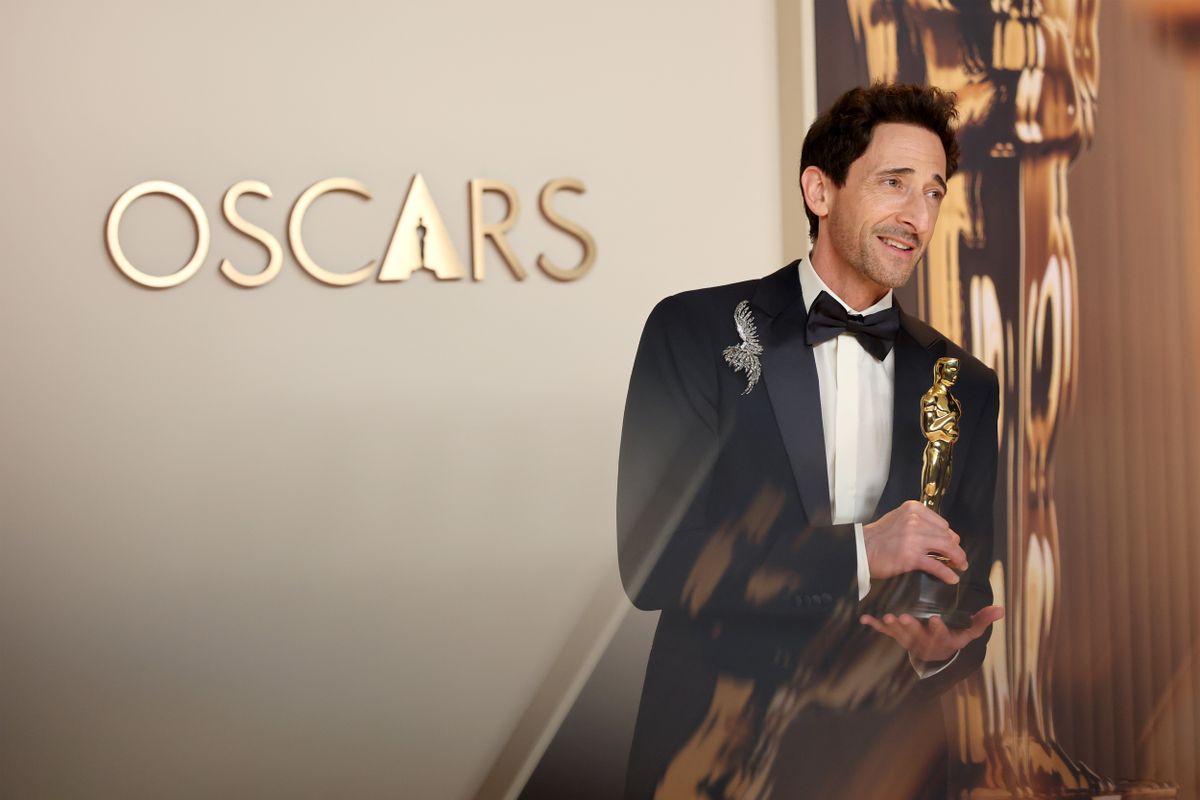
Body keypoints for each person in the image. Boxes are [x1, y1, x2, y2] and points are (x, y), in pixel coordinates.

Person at [616, 83, 1005, 800]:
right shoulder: (694, 332)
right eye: (895, 183)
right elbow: (654, 561)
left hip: (889, 769)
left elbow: (967, 587)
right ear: (820, 190)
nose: (917, 217)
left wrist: (941, 654)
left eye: (933, 193)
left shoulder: (968, 385)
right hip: (707, 762)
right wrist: (863, 552)